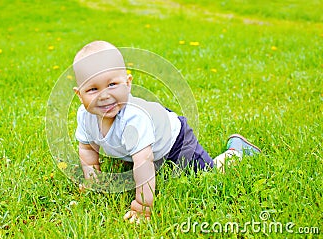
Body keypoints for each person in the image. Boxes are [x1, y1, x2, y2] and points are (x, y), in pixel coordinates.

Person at [72, 40, 261, 223]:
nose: (104, 95)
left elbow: (143, 163)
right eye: (93, 89)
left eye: (112, 85)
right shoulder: (85, 116)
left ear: (128, 83)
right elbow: (88, 149)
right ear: (79, 95)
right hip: (152, 130)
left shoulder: (134, 119)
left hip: (175, 139)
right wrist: (92, 180)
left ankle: (237, 151)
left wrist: (143, 205)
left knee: (206, 173)